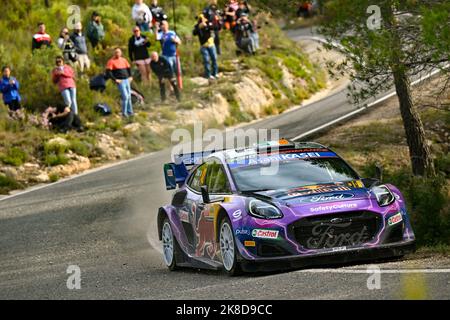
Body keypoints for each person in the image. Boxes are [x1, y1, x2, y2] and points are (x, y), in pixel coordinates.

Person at [106, 48, 134, 118]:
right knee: (125, 97)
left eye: (118, 52)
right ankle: (124, 113)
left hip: (127, 80)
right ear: (114, 53)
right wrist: (115, 79)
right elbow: (108, 72)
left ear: (121, 53)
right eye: (116, 52)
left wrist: (130, 76)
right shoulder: (111, 61)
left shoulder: (124, 60)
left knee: (129, 97)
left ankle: (130, 112)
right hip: (120, 81)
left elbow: (129, 68)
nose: (117, 53)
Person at [193, 15, 218, 80]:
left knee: (214, 59)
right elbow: (194, 33)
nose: (202, 19)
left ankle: (215, 73)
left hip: (211, 44)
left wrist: (206, 25)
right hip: (203, 46)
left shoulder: (209, 23)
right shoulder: (197, 26)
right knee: (206, 60)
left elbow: (215, 27)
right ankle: (208, 75)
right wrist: (199, 27)